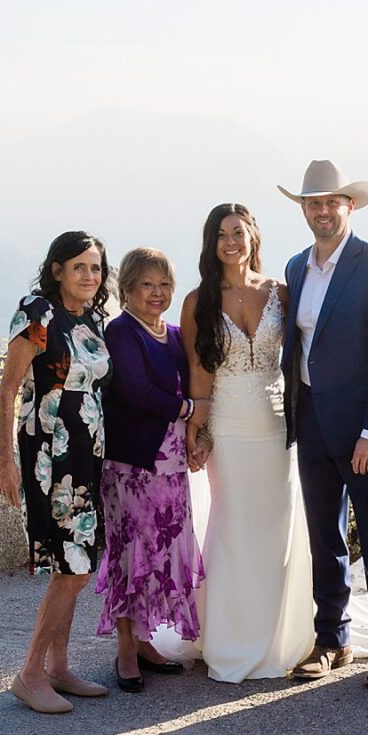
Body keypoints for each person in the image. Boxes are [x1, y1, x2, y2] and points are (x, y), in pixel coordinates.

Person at [279, 160, 368, 688]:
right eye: (313, 204)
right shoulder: (296, 267)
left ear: (349, 206)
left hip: (364, 429)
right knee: (323, 535)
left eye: (331, 202)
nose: (322, 211)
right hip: (311, 419)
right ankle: (331, 639)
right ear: (304, 210)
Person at [176, 204, 317, 681]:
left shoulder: (280, 290)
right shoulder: (198, 301)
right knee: (233, 526)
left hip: (278, 426)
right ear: (211, 244)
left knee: (278, 528)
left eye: (238, 231)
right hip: (230, 428)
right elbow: (198, 371)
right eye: (221, 234)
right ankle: (231, 639)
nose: (231, 241)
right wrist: (198, 429)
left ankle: (281, 636)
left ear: (254, 236)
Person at [0, 231, 114, 714]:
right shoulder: (38, 312)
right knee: (69, 568)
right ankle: (29, 674)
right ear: (58, 269)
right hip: (49, 452)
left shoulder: (94, 319)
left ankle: (59, 668)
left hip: (87, 451)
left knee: (78, 566)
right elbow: (7, 391)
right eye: (79, 266)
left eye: (97, 268)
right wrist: (5, 460)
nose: (89, 276)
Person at [96, 247, 203, 693]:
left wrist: (197, 430)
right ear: (126, 290)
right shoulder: (121, 332)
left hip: (172, 463)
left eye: (164, 285)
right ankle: (125, 646)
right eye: (146, 285)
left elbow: (198, 370)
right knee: (130, 554)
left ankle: (144, 640)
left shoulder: (174, 334)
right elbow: (135, 389)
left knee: (159, 553)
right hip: (132, 465)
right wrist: (189, 408)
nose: (157, 293)